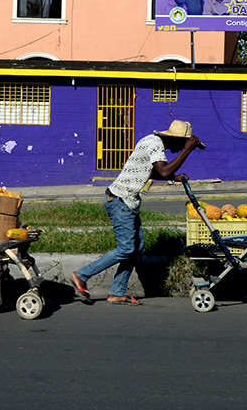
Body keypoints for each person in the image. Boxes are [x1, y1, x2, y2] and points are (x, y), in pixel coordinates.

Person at [70, 120, 202, 305]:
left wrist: (175, 177)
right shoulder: (156, 145)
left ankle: (116, 292)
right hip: (120, 201)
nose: (180, 149)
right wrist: (186, 151)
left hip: (126, 201)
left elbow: (151, 171)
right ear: (176, 139)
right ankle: (82, 274)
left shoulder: (151, 141)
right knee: (126, 249)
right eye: (182, 144)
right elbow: (163, 172)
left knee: (136, 248)